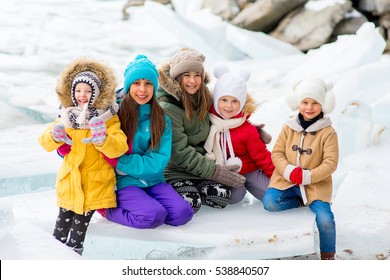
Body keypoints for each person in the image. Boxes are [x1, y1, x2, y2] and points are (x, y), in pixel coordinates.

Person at [37, 57, 128, 255]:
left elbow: (119, 146)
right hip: (70, 184)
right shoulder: (66, 115)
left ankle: (73, 264)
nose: (82, 95)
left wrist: (102, 137)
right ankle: (52, 263)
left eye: (87, 91)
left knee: (77, 235)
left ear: (95, 93)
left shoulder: (108, 117)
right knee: (59, 232)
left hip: (94, 186)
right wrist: (55, 136)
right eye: (78, 90)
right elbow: (44, 142)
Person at [103, 54, 194, 229]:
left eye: (148, 83)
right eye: (137, 83)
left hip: (154, 180)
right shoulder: (114, 114)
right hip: (125, 182)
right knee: (152, 216)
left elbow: (158, 161)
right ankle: (107, 211)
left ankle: (146, 202)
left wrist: (121, 161)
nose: (142, 90)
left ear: (155, 87)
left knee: (183, 214)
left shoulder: (161, 118)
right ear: (129, 86)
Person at [156, 48, 247, 213]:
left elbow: (226, 111)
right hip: (175, 170)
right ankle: (171, 192)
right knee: (191, 203)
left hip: (201, 168)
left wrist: (249, 126)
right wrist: (214, 171)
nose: (193, 80)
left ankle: (197, 187)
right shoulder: (167, 107)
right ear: (177, 77)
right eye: (187, 75)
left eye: (197, 75)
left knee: (220, 197)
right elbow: (179, 152)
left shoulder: (203, 96)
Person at [262, 77, 339, 260]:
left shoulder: (328, 132)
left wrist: (308, 176)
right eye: (305, 102)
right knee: (270, 203)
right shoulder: (289, 127)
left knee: (325, 219)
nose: (309, 107)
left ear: (323, 105)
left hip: (315, 185)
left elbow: (330, 163)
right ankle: (298, 201)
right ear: (298, 104)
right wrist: (289, 171)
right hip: (286, 180)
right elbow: (277, 153)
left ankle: (328, 255)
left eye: (315, 103)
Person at [204, 65, 275, 204]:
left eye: (234, 101)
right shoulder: (209, 123)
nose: (229, 106)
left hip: (250, 170)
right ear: (216, 99)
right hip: (225, 171)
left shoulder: (247, 129)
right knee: (233, 198)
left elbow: (261, 156)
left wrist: (277, 177)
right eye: (224, 100)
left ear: (242, 103)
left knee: (269, 192)